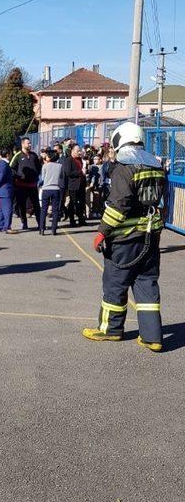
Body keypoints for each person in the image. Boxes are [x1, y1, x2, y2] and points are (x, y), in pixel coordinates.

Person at [82, 122, 166, 352]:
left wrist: (101, 232)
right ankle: (153, 337)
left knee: (115, 283)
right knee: (147, 282)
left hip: (124, 239)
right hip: (150, 236)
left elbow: (118, 207)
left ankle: (110, 330)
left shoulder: (124, 167)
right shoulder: (156, 165)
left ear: (121, 139)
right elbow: (162, 201)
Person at [10, 137, 41, 229]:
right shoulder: (18, 155)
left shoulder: (34, 155)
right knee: (22, 205)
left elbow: (39, 167)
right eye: (28, 143)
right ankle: (24, 223)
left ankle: (40, 223)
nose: (30, 145)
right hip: (21, 185)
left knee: (36, 205)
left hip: (32, 185)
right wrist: (18, 176)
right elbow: (11, 168)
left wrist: (36, 176)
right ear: (23, 144)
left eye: (30, 143)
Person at [38, 148, 65, 235]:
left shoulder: (45, 166)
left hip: (46, 188)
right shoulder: (60, 166)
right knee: (55, 210)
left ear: (49, 157)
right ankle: (54, 229)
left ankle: (42, 228)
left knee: (44, 210)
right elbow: (61, 176)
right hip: (56, 189)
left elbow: (42, 178)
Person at [62, 144, 87, 227]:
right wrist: (80, 172)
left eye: (79, 150)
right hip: (73, 185)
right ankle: (72, 220)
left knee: (81, 203)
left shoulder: (80, 160)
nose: (79, 152)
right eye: (77, 151)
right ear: (72, 151)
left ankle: (81, 219)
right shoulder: (69, 160)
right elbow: (68, 172)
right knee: (73, 203)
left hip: (81, 184)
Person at [0, 149, 16, 234]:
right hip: (5, 190)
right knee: (8, 210)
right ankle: (7, 227)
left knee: (1, 210)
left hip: (2, 190)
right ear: (7, 154)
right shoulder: (4, 164)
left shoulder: (2, 163)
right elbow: (1, 176)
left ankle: (0, 226)